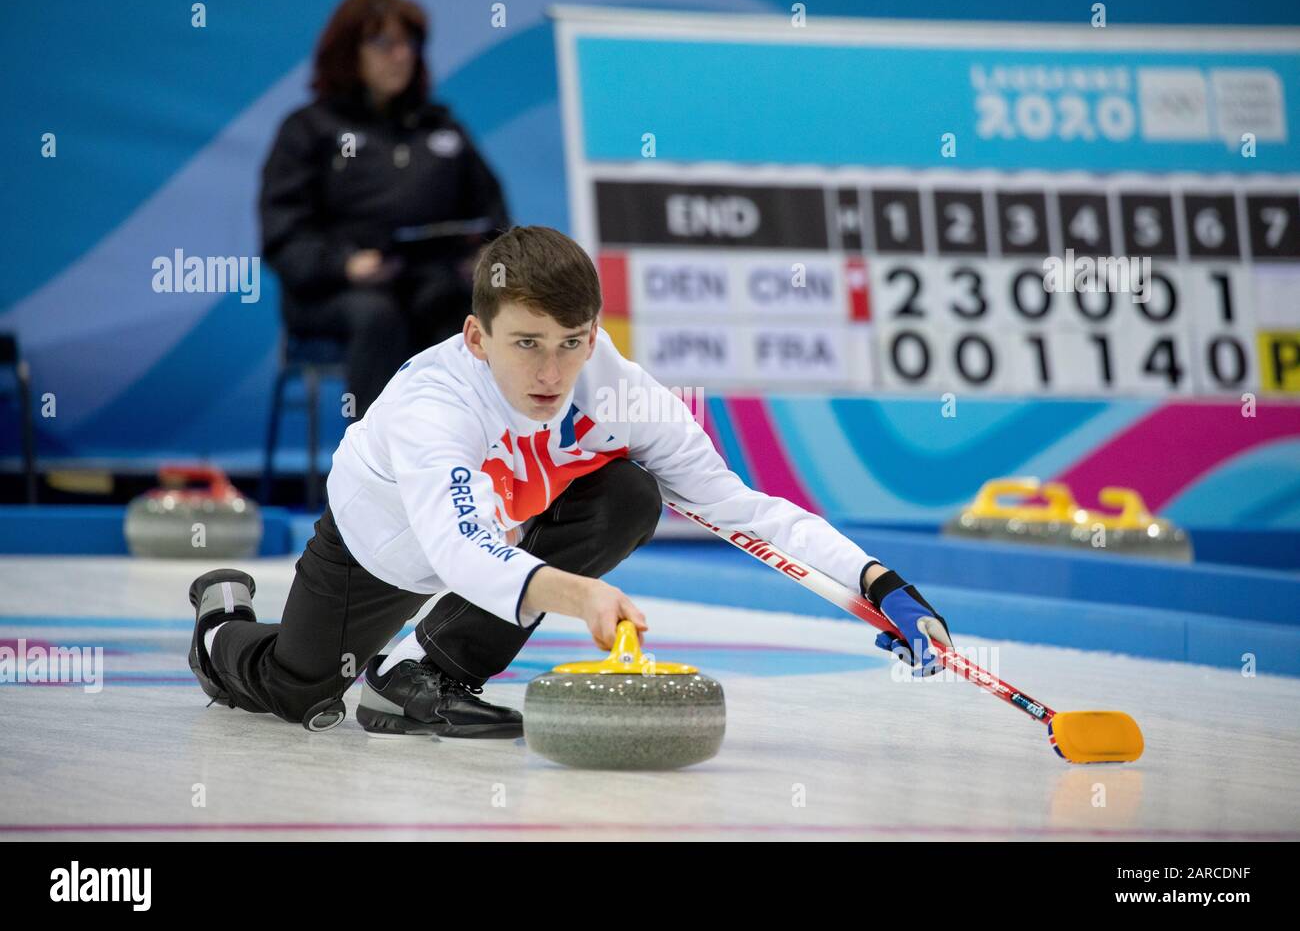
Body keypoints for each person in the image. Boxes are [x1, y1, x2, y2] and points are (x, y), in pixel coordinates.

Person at [188, 226, 954, 736]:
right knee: (301, 694)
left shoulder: (619, 391)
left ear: (595, 333)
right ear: (477, 337)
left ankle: (424, 677)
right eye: (527, 344)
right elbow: (458, 550)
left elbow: (742, 509)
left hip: (508, 535)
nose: (552, 372)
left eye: (572, 343)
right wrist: (578, 593)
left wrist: (881, 584)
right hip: (381, 546)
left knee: (630, 494)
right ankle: (220, 625)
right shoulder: (435, 406)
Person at [260, 0, 509, 417]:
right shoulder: (308, 130)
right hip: (333, 293)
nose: (401, 55)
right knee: (379, 317)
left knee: (468, 314)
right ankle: (376, 471)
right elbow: (283, 234)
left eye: (409, 44)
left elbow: (494, 217)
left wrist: (485, 256)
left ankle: (475, 461)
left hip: (427, 281)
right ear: (347, 52)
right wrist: (344, 265)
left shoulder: (442, 129)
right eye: (384, 44)